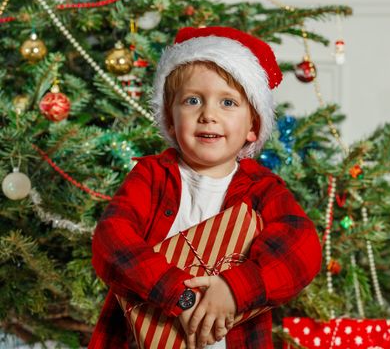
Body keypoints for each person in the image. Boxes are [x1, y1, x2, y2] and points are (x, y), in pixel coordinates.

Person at [89, 26, 322, 348]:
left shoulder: (262, 190)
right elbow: (111, 242)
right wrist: (178, 294)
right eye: (193, 100)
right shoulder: (151, 177)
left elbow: (302, 248)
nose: (208, 115)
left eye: (228, 103)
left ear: (253, 127)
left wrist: (235, 289)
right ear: (170, 121)